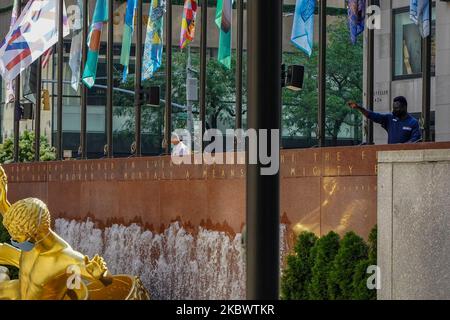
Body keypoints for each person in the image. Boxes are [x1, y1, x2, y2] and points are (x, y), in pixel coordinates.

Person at [348, 96, 422, 144]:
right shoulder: (390, 118)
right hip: (390, 154)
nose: (394, 110)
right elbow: (373, 116)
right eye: (393, 108)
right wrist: (359, 108)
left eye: (397, 108)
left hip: (406, 156)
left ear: (404, 107)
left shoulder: (413, 122)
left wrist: (401, 146)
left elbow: (415, 140)